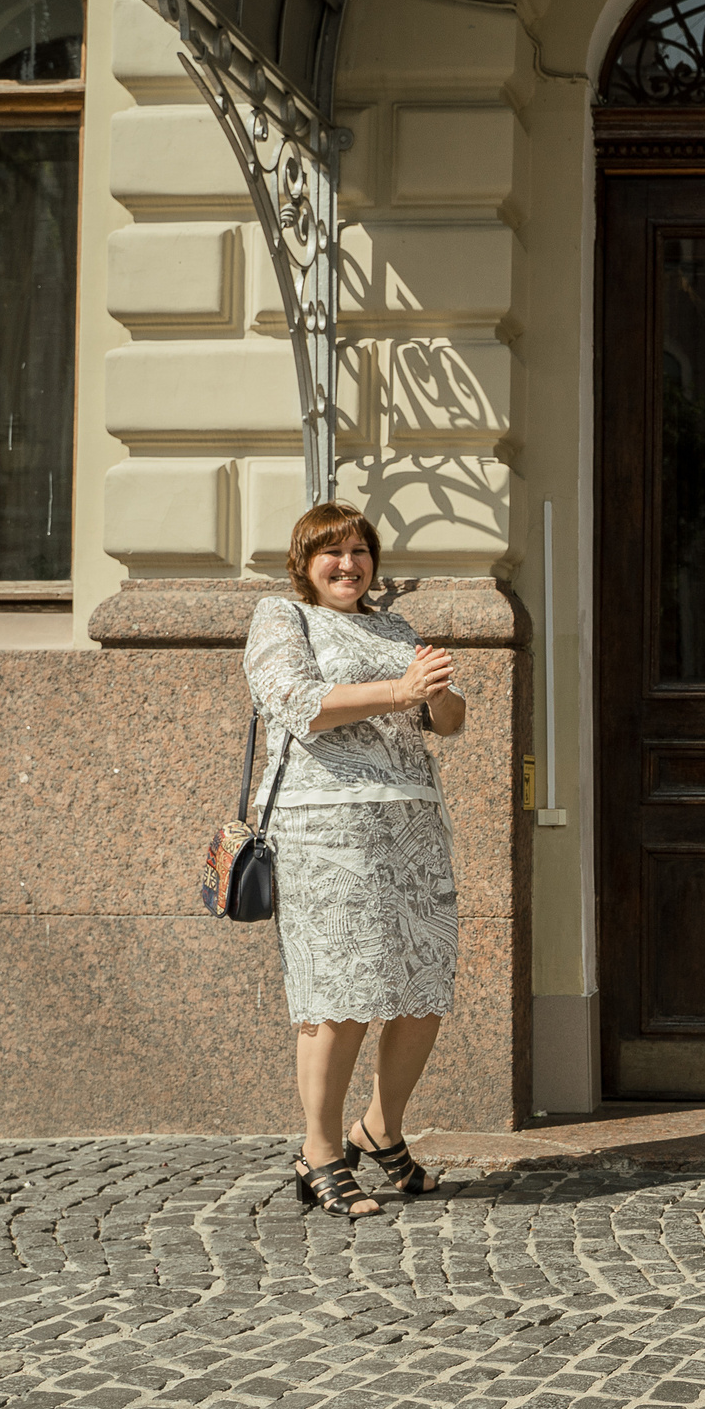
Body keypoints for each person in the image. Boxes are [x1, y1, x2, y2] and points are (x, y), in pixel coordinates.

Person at [243, 503, 467, 1220]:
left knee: (424, 988)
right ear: (303, 562)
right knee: (337, 996)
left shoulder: (395, 625)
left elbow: (448, 721)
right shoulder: (282, 617)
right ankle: (319, 1151)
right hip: (324, 828)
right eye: (331, 552)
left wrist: (438, 693)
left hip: (412, 825)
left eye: (360, 550)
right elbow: (293, 702)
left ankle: (380, 1127)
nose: (349, 563)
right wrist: (401, 688)